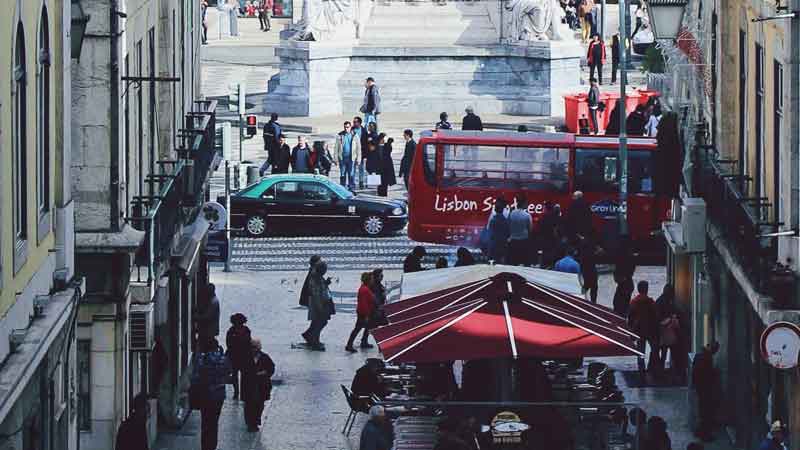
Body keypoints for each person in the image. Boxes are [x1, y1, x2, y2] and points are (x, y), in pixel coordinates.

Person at [192, 338, 232, 450]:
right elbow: (229, 371)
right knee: (214, 422)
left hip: (206, 394)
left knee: (206, 422)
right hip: (219, 394)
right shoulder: (223, 359)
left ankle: (205, 447)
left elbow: (196, 376)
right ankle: (212, 445)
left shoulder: (203, 359)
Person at [242, 338, 275, 431]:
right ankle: (250, 423)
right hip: (249, 385)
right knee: (249, 405)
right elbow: (243, 369)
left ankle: (256, 421)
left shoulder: (265, 357)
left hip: (262, 385)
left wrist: (264, 373)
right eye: (251, 347)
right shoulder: (246, 357)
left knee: (259, 404)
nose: (253, 349)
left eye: (255, 347)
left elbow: (271, 369)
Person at [629, 280, 659, 375]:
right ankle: (651, 367)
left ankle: (641, 369)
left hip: (639, 330)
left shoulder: (634, 302)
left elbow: (630, 317)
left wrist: (630, 330)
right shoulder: (651, 302)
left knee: (640, 351)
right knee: (654, 349)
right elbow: (656, 316)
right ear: (647, 289)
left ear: (638, 289)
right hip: (650, 329)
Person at [692, 341, 719, 441]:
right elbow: (706, 374)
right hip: (704, 388)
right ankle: (704, 434)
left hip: (700, 388)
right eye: (714, 349)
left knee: (703, 410)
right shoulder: (706, 358)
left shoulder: (700, 355)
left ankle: (700, 431)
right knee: (706, 412)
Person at [306, 261, 334, 350]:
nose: (325, 271)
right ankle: (314, 341)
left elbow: (321, 288)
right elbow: (316, 294)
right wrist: (320, 307)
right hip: (318, 304)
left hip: (322, 303)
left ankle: (313, 338)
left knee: (318, 322)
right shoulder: (315, 279)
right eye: (324, 269)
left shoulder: (318, 277)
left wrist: (326, 283)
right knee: (320, 322)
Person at [346, 272, 376, 352]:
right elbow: (364, 304)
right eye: (372, 279)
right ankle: (349, 345)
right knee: (357, 328)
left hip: (364, 312)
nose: (373, 280)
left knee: (365, 327)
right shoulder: (364, 289)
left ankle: (363, 342)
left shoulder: (364, 288)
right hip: (363, 313)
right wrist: (366, 315)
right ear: (368, 280)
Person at [225, 313, 252, 400]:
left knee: (237, 375)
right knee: (239, 375)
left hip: (237, 356)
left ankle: (237, 392)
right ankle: (239, 392)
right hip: (239, 356)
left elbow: (228, 344)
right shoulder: (245, 330)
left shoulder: (231, 331)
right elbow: (248, 342)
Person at [613, 237, 636, 317]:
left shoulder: (623, 258)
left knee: (620, 306)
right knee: (623, 306)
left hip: (625, 284)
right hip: (626, 283)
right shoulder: (629, 257)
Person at [508, 194, 532, 266]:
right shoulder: (527, 215)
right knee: (524, 263)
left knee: (513, 263)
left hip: (513, 241)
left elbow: (508, 225)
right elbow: (530, 229)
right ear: (524, 203)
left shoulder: (511, 213)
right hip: (523, 241)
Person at [336, 121, 361, 190]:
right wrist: (335, 159)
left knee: (351, 174)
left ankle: (351, 188)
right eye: (345, 127)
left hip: (351, 159)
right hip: (343, 158)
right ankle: (342, 188)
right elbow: (336, 148)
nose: (346, 129)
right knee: (342, 174)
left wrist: (359, 159)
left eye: (347, 127)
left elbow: (358, 148)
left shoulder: (355, 135)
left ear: (350, 127)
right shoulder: (340, 135)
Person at [537, 201, 561, 268]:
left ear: (546, 208)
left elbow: (539, 228)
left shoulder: (543, 217)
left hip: (545, 240)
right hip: (554, 240)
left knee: (545, 257)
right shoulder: (556, 217)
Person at [487, 198, 511, 264]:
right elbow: (508, 231)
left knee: (493, 260)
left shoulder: (494, 218)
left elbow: (489, 229)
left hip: (494, 242)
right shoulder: (505, 217)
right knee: (500, 261)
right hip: (502, 242)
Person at [577, 237, 599, 303]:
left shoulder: (583, 252)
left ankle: (582, 298)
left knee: (587, 285)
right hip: (590, 270)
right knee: (593, 287)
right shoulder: (588, 251)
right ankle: (593, 302)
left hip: (586, 270)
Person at [352, 116, 367, 188]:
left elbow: (366, 142)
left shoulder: (364, 130)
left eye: (355, 122)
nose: (354, 123)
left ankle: (361, 181)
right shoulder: (351, 130)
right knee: (353, 168)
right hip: (353, 153)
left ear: (359, 123)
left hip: (361, 153)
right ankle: (353, 182)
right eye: (353, 122)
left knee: (361, 168)